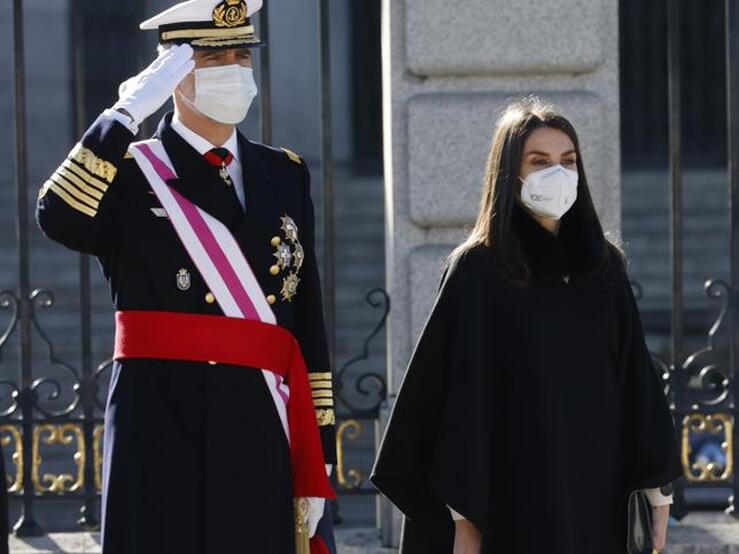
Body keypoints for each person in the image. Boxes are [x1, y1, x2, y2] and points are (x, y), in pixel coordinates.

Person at [35, 1, 337, 552]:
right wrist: (122, 119)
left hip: (261, 422)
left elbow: (306, 317)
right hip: (161, 422)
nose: (233, 69)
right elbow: (58, 215)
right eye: (212, 56)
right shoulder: (128, 173)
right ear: (172, 75)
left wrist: (320, 447)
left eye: (241, 55)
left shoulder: (284, 172)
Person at [371, 98, 681, 554]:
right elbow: (454, 399)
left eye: (568, 161)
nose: (557, 173)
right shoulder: (478, 270)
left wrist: (657, 489)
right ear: (509, 172)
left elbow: (635, 377)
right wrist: (463, 515)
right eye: (539, 162)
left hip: (595, 493)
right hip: (510, 495)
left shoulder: (602, 266)